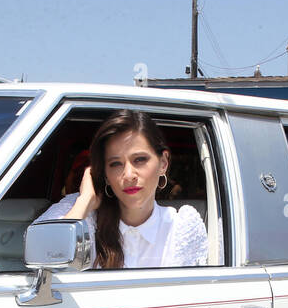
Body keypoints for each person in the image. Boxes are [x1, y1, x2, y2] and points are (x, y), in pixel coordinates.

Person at [34, 110, 207, 269]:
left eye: (139, 159)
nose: (129, 175)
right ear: (105, 173)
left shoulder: (180, 227)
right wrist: (85, 201)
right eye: (115, 164)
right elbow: (42, 258)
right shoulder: (80, 215)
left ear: (163, 163)